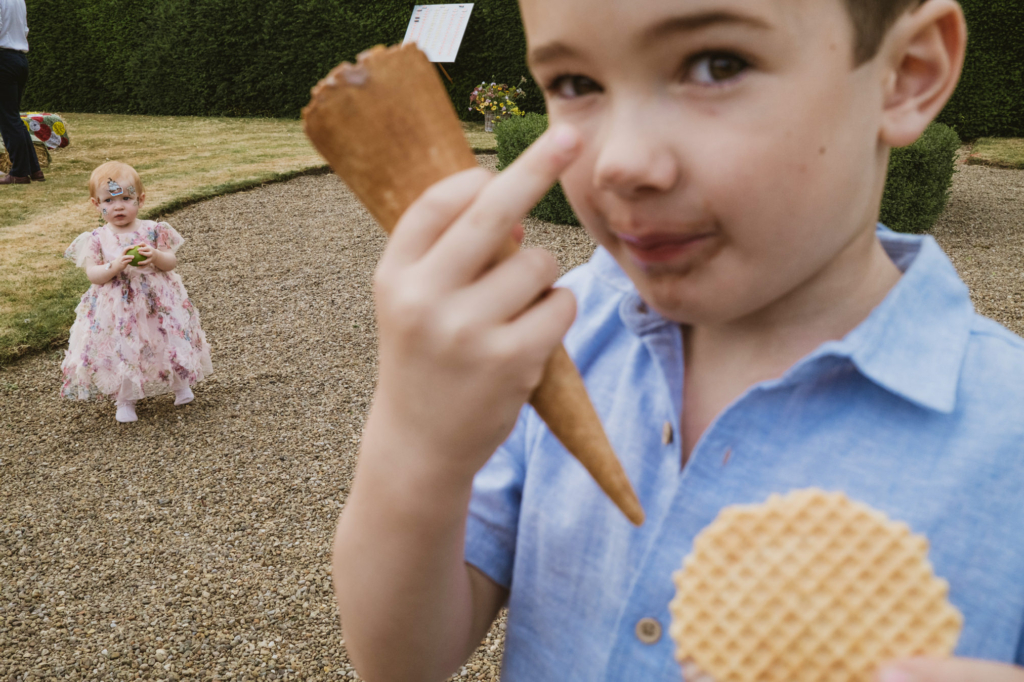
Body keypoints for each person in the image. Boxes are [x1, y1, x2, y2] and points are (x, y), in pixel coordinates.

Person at [333, 0, 1024, 680]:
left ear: (906, 71)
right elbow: (402, 662)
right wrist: (414, 440)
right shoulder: (551, 332)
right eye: (575, 84)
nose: (622, 163)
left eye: (716, 64)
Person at [61, 162, 212, 423]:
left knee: (166, 341)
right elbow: (92, 274)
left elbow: (170, 262)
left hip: (156, 303)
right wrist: (114, 266)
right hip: (118, 308)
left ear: (140, 199)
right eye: (109, 200)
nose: (118, 206)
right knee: (124, 349)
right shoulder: (97, 238)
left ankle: (180, 385)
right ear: (96, 205)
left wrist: (154, 256)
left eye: (126, 198)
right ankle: (126, 399)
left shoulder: (152, 230)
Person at [0, 0, 41, 185]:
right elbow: (24, 29)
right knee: (13, 116)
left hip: (3, 59)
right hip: (19, 58)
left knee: (7, 118)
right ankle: (34, 168)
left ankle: (19, 172)